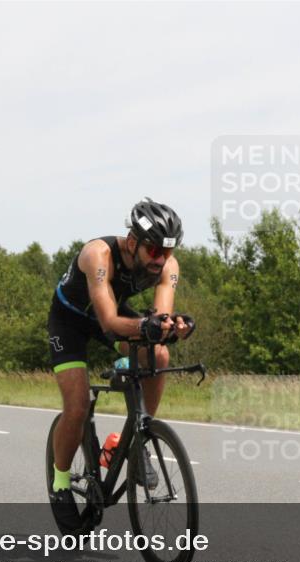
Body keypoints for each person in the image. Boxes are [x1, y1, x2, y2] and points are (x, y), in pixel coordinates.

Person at [47, 198, 195, 526]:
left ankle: (135, 438)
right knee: (78, 406)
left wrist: (174, 327)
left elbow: (158, 318)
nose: (162, 260)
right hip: (71, 322)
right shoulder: (97, 255)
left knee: (158, 353)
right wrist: (147, 326)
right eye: (154, 251)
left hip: (110, 316)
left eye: (168, 252)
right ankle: (59, 483)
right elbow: (109, 322)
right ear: (133, 242)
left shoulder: (167, 266)